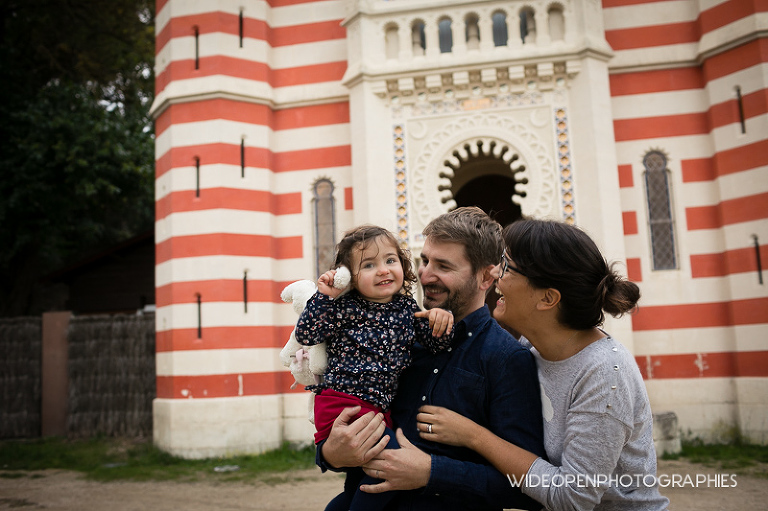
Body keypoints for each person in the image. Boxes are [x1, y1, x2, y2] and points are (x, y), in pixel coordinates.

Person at [417, 219, 670, 510]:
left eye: (507, 267)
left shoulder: (605, 374)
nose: (497, 275)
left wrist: (473, 436)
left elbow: (573, 497)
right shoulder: (529, 347)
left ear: (548, 298)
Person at [316, 207, 546, 511]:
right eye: (424, 260)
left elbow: (525, 488)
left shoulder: (506, 359)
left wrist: (431, 472)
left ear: (486, 276)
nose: (425, 275)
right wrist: (331, 453)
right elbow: (346, 418)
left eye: (443, 266)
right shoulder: (396, 339)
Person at [294, 225, 455, 511]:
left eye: (390, 260)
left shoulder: (407, 309)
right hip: (343, 404)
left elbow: (436, 346)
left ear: (403, 265)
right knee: (391, 465)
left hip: (377, 411)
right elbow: (307, 335)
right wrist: (324, 296)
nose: (383, 270)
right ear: (350, 277)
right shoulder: (344, 307)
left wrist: (441, 321)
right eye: (369, 265)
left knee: (361, 481)